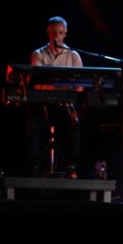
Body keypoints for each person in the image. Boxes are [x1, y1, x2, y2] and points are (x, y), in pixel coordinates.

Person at [27, 15, 84, 178]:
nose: (56, 36)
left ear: (65, 34)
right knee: (33, 123)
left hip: (65, 104)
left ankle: (71, 166)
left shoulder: (73, 55)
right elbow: (38, 80)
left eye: (60, 33)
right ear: (48, 33)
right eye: (53, 33)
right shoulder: (38, 54)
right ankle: (33, 167)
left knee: (75, 122)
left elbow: (80, 86)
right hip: (42, 103)